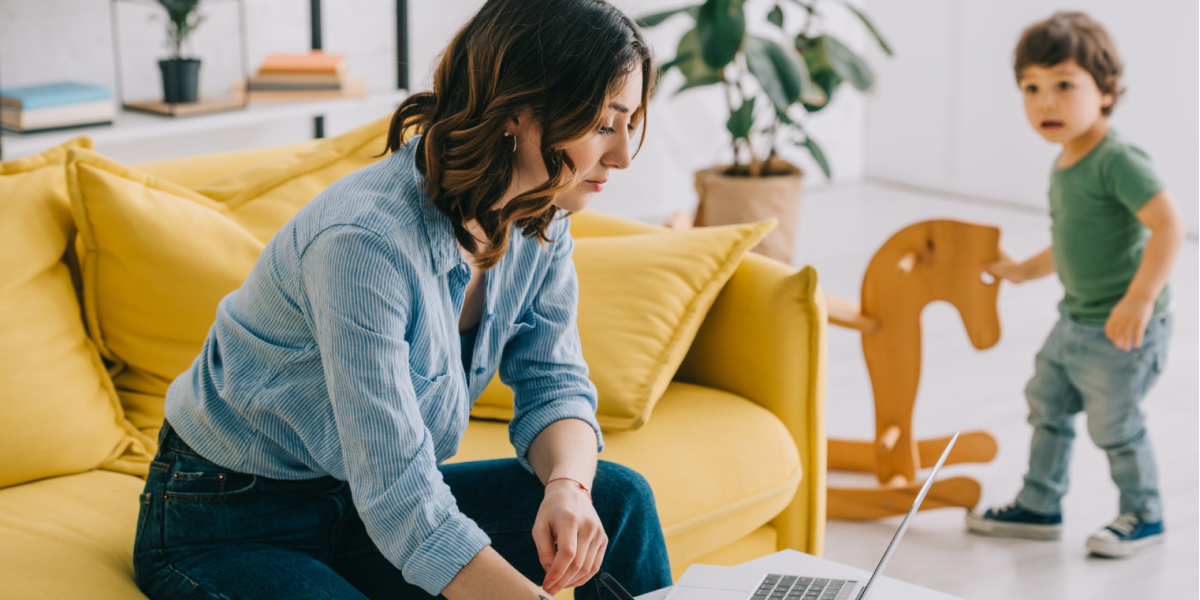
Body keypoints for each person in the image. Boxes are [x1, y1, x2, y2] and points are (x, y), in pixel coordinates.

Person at [132, 1, 673, 598]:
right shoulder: (364, 244)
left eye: (630, 123)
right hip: (228, 519)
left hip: (357, 504)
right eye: (603, 124)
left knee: (617, 501)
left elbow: (554, 382)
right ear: (519, 109)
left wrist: (567, 488)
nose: (622, 155)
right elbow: (402, 502)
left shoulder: (538, 214)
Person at [965, 12, 1185, 559]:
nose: (1046, 102)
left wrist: (1138, 299)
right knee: (1047, 405)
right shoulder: (1066, 161)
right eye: (1031, 88)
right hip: (1075, 320)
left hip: (1123, 330)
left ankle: (1146, 513)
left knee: (1116, 426)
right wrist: (1021, 271)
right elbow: (1070, 243)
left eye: (1064, 85)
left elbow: (1170, 226)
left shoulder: (1117, 160)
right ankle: (1040, 504)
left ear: (1105, 91)